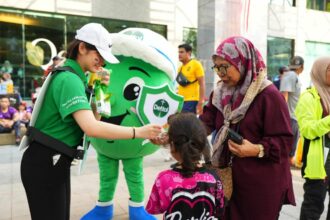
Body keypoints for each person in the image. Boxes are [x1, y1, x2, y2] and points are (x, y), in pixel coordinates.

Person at [20, 23, 162, 220]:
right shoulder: (69, 80)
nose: (102, 62)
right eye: (99, 55)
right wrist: (138, 132)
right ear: (82, 48)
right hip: (45, 161)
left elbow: (93, 120)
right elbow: (92, 128)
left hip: (53, 161)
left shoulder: (76, 78)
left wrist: (100, 91)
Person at [199, 36, 295, 219]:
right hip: (228, 180)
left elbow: (284, 141)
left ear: (243, 62)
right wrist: (181, 132)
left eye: (224, 66)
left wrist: (256, 149)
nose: (220, 73)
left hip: (261, 185)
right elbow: (207, 120)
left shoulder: (268, 95)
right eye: (216, 67)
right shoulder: (220, 93)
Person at [146, 112, 224, 219]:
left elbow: (155, 208)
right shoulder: (214, 177)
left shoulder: (164, 179)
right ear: (202, 143)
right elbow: (220, 207)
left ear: (172, 145)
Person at [295, 56, 330, 220]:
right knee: (314, 204)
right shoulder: (308, 97)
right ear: (321, 72)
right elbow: (308, 130)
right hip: (318, 161)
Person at [280, 56, 304, 165]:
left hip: (294, 117)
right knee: (286, 151)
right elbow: (284, 97)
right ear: (302, 67)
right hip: (290, 118)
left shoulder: (293, 76)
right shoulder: (291, 76)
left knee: (289, 151)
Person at [177, 43, 205, 114]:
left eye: (182, 52)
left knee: (186, 123)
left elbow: (202, 84)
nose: (179, 54)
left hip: (191, 100)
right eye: (179, 52)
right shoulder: (180, 68)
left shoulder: (196, 64)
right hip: (180, 101)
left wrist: (201, 101)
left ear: (188, 53)